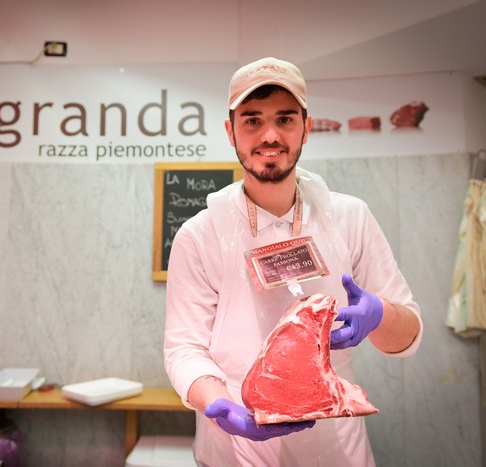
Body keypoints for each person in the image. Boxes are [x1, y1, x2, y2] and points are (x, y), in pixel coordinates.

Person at [163, 57, 423, 466]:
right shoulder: (200, 234)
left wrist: (381, 315)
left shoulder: (350, 217)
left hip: (338, 450)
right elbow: (183, 349)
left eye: (285, 119)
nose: (270, 135)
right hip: (237, 448)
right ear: (230, 131)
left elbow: (408, 336)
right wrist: (219, 403)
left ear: (306, 126)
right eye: (252, 120)